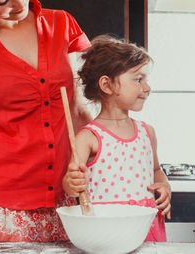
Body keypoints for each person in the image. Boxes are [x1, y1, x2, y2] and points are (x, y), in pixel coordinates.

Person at [0, 0, 91, 241]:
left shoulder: (61, 23)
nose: (18, 4)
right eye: (1, 1)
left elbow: (78, 111)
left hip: (62, 205)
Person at [62, 35, 171, 242]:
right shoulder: (88, 137)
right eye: (139, 79)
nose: (147, 87)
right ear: (107, 85)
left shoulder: (148, 132)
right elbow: (69, 184)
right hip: (106, 230)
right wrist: (72, 182)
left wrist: (164, 185)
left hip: (145, 226)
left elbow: (156, 171)